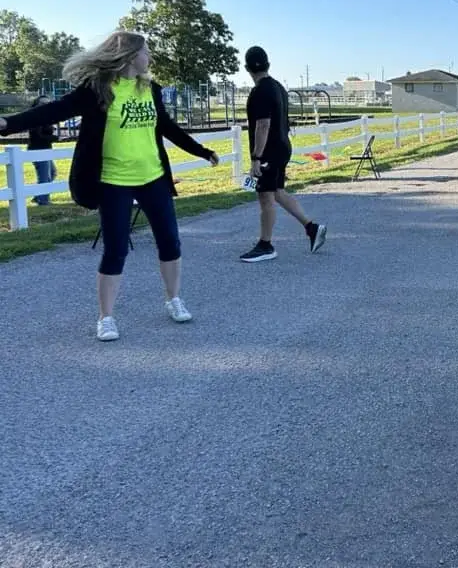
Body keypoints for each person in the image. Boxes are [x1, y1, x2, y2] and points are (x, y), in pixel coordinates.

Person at [0, 31, 219, 342]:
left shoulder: (151, 89)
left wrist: (202, 151)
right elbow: (53, 110)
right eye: (145, 52)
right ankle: (106, 317)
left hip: (153, 178)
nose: (149, 57)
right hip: (114, 182)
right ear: (129, 56)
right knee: (115, 249)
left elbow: (168, 127)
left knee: (170, 242)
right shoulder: (97, 91)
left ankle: (174, 299)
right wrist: (9, 124)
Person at [240, 45, 326, 262]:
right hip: (282, 146)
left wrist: (256, 158)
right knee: (277, 191)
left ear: (246, 67)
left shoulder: (260, 91)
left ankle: (266, 244)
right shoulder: (278, 87)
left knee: (265, 196)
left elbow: (262, 125)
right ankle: (312, 228)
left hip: (268, 150)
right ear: (267, 64)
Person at [26, 95, 58, 206]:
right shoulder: (34, 118)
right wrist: (55, 138)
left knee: (52, 173)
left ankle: (38, 196)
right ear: (36, 104)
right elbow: (38, 136)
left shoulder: (47, 117)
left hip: (46, 149)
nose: (46, 105)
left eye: (48, 103)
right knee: (44, 176)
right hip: (37, 150)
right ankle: (43, 201)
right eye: (43, 103)